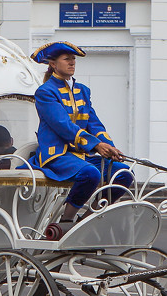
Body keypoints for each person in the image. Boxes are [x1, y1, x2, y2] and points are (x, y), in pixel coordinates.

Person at [29, 41, 133, 223]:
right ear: (53, 64)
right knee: (91, 173)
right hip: (57, 155)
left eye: (73, 59)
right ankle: (66, 220)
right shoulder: (45, 92)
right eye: (66, 59)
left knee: (123, 173)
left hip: (81, 155)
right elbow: (64, 126)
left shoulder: (82, 91)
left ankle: (87, 220)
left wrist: (109, 147)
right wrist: (96, 145)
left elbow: (94, 123)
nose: (72, 63)